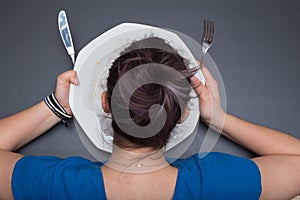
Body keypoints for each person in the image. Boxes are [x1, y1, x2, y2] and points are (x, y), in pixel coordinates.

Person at [0, 40, 300, 200]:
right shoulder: (216, 184)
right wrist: (219, 119)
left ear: (105, 103)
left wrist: (56, 106)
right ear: (183, 115)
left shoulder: (61, 187)